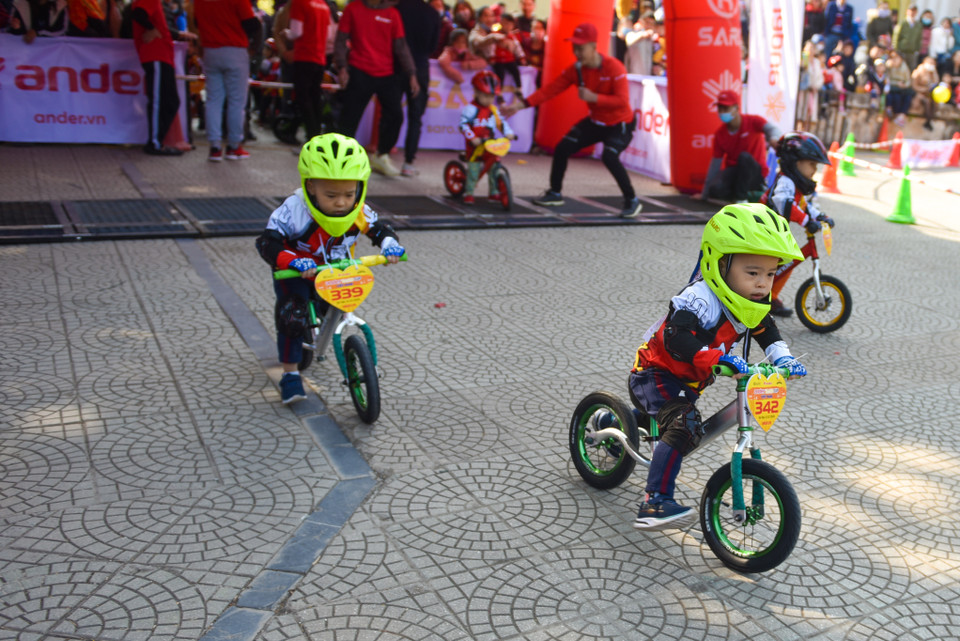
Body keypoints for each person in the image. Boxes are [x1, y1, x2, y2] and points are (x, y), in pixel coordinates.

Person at [596, 203, 807, 530]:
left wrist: (784, 360)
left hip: (688, 382)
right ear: (720, 265)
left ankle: (614, 420)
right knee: (683, 422)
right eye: (752, 273)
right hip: (655, 373)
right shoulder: (701, 298)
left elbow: (767, 330)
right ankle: (655, 501)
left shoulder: (749, 303)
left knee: (679, 422)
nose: (763, 284)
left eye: (770, 273)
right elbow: (676, 337)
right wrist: (717, 358)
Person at [255, 133, 405, 404]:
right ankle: (290, 375)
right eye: (331, 194)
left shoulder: (358, 210)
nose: (341, 203)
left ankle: (328, 329)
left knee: (335, 307)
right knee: (292, 313)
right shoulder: (293, 209)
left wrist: (389, 244)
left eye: (349, 194)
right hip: (298, 270)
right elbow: (267, 242)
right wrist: (292, 260)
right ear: (311, 186)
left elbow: (378, 228)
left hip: (337, 268)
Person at [502, 22, 643, 219]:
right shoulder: (576, 70)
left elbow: (622, 101)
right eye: (574, 47)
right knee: (562, 148)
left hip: (620, 124)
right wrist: (520, 105)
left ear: (593, 47)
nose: (576, 52)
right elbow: (550, 90)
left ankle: (632, 200)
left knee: (609, 157)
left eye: (581, 47)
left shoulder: (614, 67)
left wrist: (594, 97)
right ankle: (555, 193)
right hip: (595, 122)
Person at [333, 0, 420, 177]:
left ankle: (381, 155)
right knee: (349, 117)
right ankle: (340, 159)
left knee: (396, 115)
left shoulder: (392, 13)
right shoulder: (353, 8)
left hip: (386, 74)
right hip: (358, 70)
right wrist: (342, 67)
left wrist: (411, 73)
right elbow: (340, 40)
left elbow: (401, 46)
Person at [759, 132, 835, 317]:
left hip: (775, 231)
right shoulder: (785, 181)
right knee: (772, 264)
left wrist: (821, 216)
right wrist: (807, 222)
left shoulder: (794, 183)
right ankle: (756, 295)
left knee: (788, 262)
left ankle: (770, 296)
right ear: (795, 162)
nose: (814, 170)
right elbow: (784, 202)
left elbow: (803, 205)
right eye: (811, 164)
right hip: (762, 229)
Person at [194, 0, 262, 161]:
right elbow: (252, 24)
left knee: (213, 100)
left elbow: (197, 21)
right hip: (235, 50)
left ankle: (215, 147)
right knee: (237, 102)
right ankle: (233, 145)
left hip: (210, 51)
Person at [131, 0, 196, 155]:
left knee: (171, 101)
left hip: (163, 55)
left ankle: (158, 140)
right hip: (155, 54)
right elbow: (138, 14)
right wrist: (151, 29)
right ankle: (155, 142)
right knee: (159, 101)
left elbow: (159, 25)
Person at [695, 90, 782, 204]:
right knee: (715, 189)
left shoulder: (753, 121)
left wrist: (773, 138)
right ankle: (742, 194)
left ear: (736, 108)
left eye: (725, 108)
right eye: (719, 108)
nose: (721, 112)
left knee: (744, 157)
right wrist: (704, 194)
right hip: (735, 173)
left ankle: (741, 199)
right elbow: (715, 165)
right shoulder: (720, 134)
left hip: (755, 173)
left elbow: (773, 129)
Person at [396, 0, 441, 177]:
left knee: (391, 112)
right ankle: (408, 162)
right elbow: (433, 46)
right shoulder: (432, 14)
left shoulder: (397, 8)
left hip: (396, 67)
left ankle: (381, 154)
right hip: (421, 67)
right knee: (416, 117)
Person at [457, 70, 516, 205]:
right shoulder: (470, 109)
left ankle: (494, 192)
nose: (488, 100)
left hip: (490, 145)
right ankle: (469, 192)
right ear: (476, 93)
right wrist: (472, 137)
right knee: (474, 170)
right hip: (475, 146)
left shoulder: (493, 110)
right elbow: (463, 125)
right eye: (485, 96)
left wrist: (508, 133)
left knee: (494, 167)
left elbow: (501, 123)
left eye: (491, 96)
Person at [284, 0, 331, 141]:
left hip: (304, 57)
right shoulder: (324, 6)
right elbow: (328, 35)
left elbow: (296, 32)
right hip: (320, 58)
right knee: (315, 98)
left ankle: (312, 137)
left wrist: (286, 33)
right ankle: (316, 136)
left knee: (303, 99)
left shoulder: (300, 3)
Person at [490, 12, 525, 91]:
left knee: (516, 71)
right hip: (498, 60)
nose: (507, 26)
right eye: (505, 23)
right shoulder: (495, 35)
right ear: (501, 23)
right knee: (500, 75)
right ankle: (499, 92)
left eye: (509, 24)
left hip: (509, 59)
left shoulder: (512, 37)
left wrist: (521, 57)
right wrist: (491, 57)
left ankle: (519, 88)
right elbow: (491, 46)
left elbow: (517, 47)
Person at [886, 49, 914, 126]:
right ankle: (894, 113)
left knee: (908, 96)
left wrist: (904, 85)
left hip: (902, 88)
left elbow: (908, 80)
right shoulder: (888, 66)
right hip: (892, 88)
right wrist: (896, 83)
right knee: (895, 97)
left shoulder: (904, 67)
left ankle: (901, 116)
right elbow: (886, 80)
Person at [912, 56, 939, 131]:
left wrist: (934, 73)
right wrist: (923, 89)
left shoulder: (933, 73)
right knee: (927, 102)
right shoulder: (918, 71)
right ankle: (928, 121)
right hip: (919, 93)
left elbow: (936, 82)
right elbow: (914, 85)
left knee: (934, 103)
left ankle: (929, 121)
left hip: (929, 94)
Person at [893, 5, 923, 70]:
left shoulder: (918, 25)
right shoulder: (902, 23)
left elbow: (918, 39)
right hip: (902, 50)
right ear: (907, 11)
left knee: (911, 68)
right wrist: (896, 49)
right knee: (900, 68)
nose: (913, 12)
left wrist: (917, 50)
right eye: (911, 10)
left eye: (914, 11)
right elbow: (896, 36)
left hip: (912, 52)